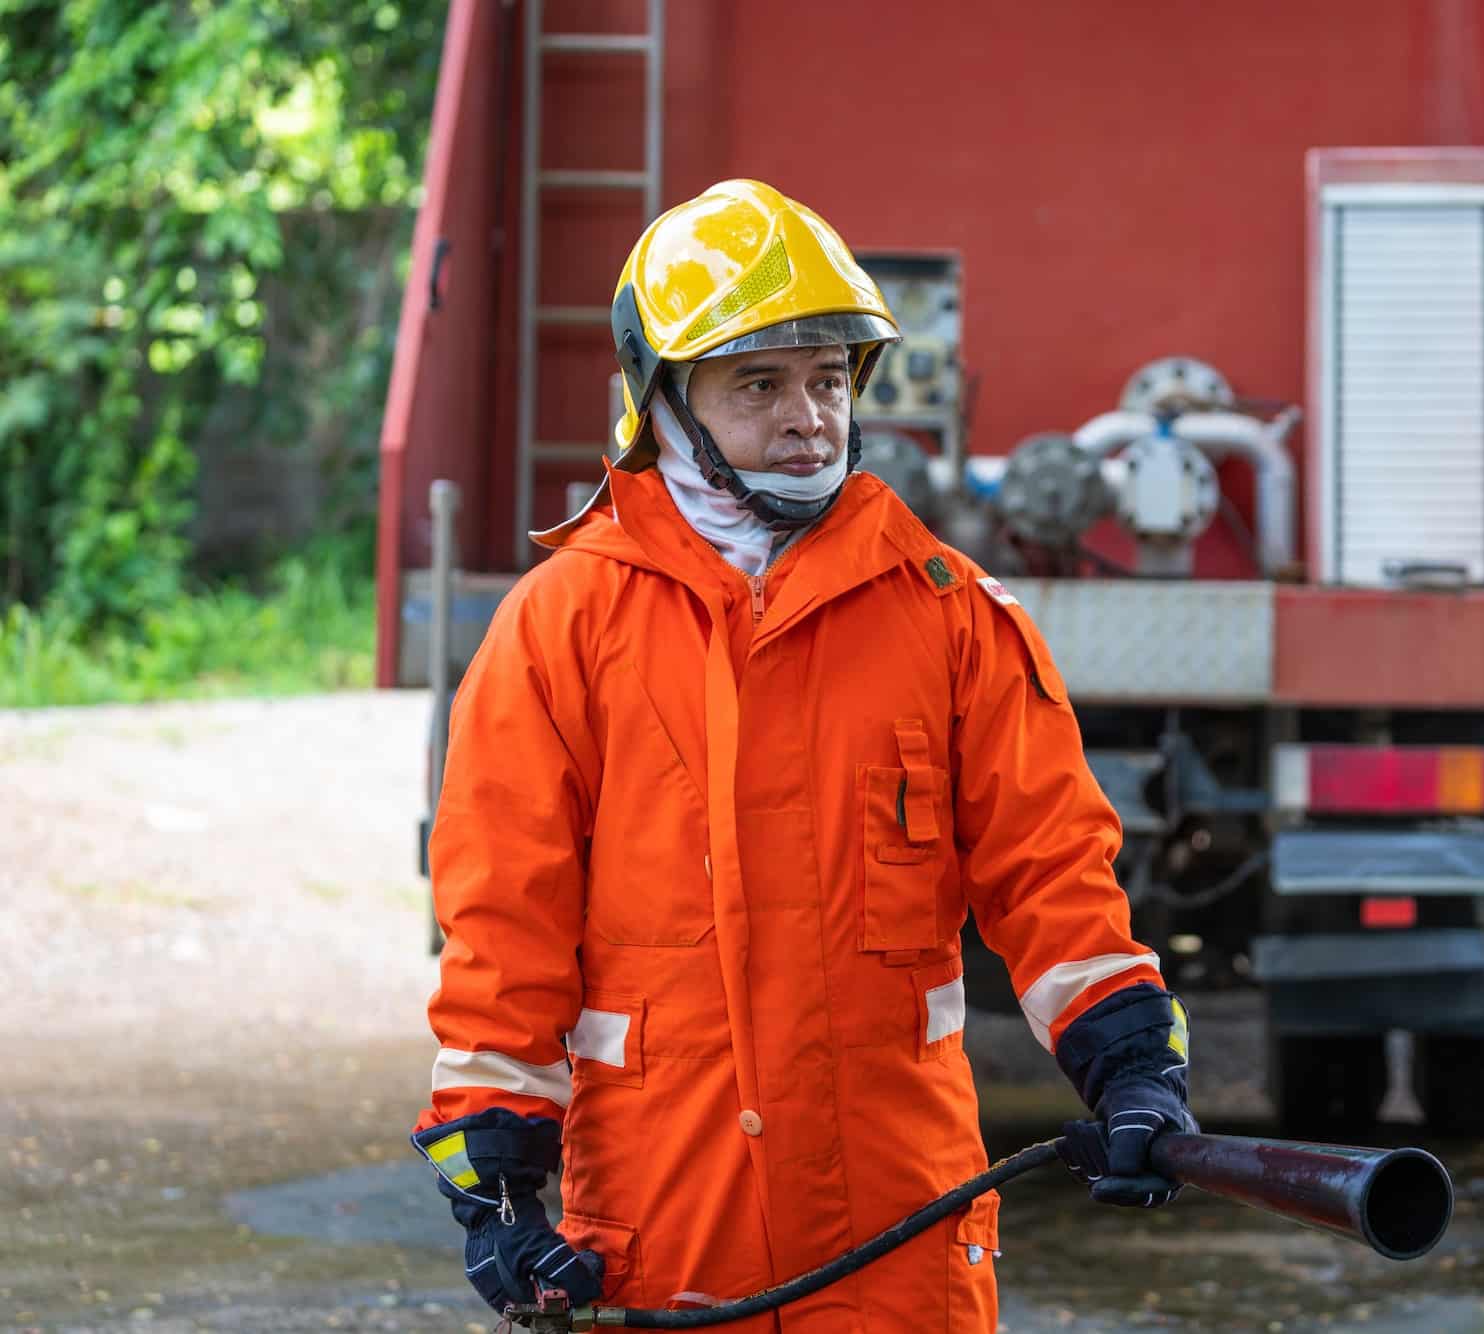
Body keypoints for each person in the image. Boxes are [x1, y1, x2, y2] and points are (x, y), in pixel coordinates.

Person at [410, 178, 1194, 1330]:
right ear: (665, 401)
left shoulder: (947, 615)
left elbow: (1053, 872)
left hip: (894, 1245)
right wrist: (494, 1180)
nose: (807, 417)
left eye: (828, 378)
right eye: (760, 383)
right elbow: (501, 917)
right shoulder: (563, 625)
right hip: (663, 1237)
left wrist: (1131, 1062)